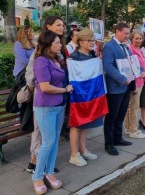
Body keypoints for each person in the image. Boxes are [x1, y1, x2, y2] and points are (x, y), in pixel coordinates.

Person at [32, 31, 72, 194]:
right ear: (48, 44)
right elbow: (44, 86)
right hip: (45, 107)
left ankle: (49, 173)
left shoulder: (56, 60)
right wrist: (64, 89)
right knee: (48, 142)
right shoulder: (41, 61)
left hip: (58, 106)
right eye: (56, 42)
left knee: (54, 141)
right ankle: (37, 176)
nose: (60, 45)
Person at [25, 16, 66, 174]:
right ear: (48, 27)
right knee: (40, 132)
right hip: (44, 99)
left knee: (50, 137)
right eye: (58, 25)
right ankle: (35, 163)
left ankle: (46, 166)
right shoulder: (41, 52)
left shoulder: (57, 49)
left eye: (63, 25)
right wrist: (38, 91)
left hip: (56, 100)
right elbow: (30, 74)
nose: (62, 28)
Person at [68, 28, 106, 166]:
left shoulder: (91, 55)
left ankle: (83, 149)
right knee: (77, 125)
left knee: (85, 124)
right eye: (89, 41)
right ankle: (74, 154)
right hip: (78, 98)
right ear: (80, 42)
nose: (92, 43)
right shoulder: (74, 57)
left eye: (93, 40)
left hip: (89, 96)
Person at [102, 22, 137, 156]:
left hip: (126, 86)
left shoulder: (125, 46)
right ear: (117, 31)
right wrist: (122, 79)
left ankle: (118, 138)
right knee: (112, 117)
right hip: (115, 87)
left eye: (128, 33)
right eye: (126, 33)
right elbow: (108, 66)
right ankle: (109, 143)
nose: (128, 36)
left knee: (121, 115)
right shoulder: (109, 46)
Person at [125, 31, 145, 138]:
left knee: (131, 106)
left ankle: (128, 127)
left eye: (140, 39)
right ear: (132, 38)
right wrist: (132, 84)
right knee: (134, 106)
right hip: (135, 81)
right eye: (136, 38)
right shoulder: (130, 50)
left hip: (141, 80)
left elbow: (143, 65)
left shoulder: (140, 50)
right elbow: (129, 67)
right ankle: (133, 130)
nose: (138, 41)